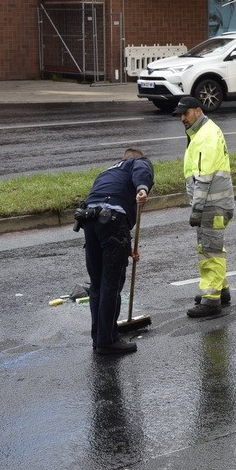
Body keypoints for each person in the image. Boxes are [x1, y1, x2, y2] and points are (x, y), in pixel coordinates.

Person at [75, 148, 154, 355]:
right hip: (112, 220)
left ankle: (99, 336)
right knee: (112, 282)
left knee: (98, 284)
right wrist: (143, 188)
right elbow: (142, 167)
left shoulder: (106, 173)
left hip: (90, 221)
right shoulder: (136, 163)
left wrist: (127, 249)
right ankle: (108, 340)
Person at [173, 96, 235, 318]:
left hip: (211, 205)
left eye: (185, 113)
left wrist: (197, 209)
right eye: (180, 115)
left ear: (197, 111)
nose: (182, 118)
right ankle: (220, 291)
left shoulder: (205, 137)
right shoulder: (204, 131)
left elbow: (204, 177)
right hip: (218, 203)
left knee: (210, 252)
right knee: (213, 248)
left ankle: (211, 301)